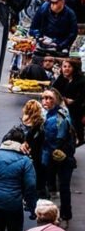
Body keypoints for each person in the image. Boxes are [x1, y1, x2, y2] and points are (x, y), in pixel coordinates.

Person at [40, 89, 76, 222]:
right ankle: (65, 214)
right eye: (44, 98)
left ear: (56, 100)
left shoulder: (53, 119)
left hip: (56, 157)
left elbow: (49, 143)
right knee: (64, 187)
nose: (46, 101)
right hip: (66, 156)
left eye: (50, 98)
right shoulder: (63, 112)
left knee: (54, 186)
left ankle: (55, 214)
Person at [52, 58, 85, 144]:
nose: (66, 69)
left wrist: (73, 102)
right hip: (62, 105)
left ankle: (78, 137)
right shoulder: (62, 78)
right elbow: (54, 90)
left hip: (78, 108)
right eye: (64, 66)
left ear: (74, 68)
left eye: (69, 67)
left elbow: (82, 97)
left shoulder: (81, 80)